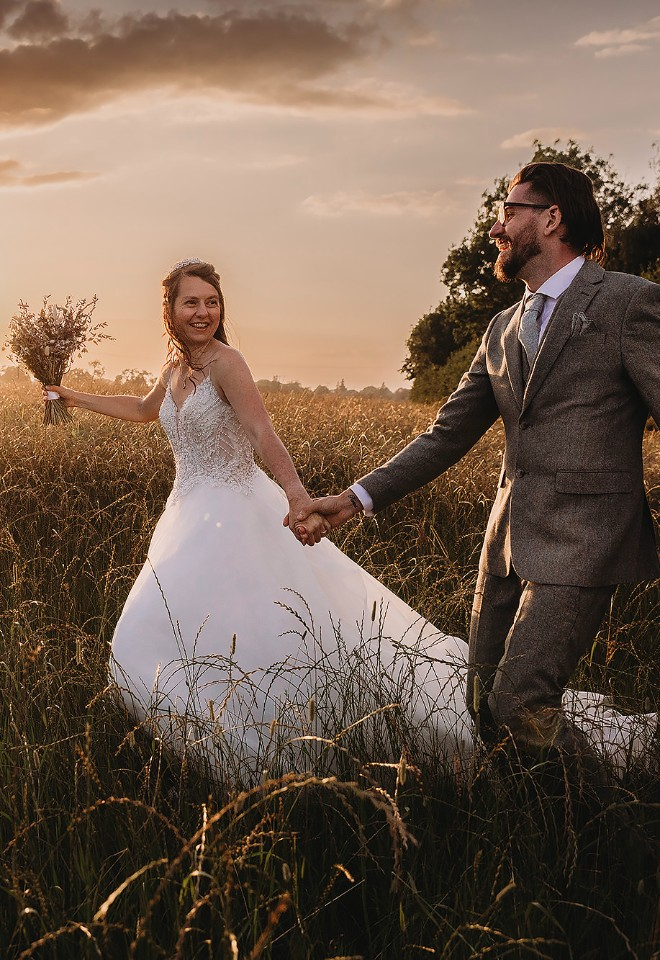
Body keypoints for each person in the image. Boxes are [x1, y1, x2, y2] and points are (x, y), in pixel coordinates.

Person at [296, 162, 660, 780]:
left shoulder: (626, 302)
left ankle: (620, 816)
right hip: (507, 546)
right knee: (484, 711)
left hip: (586, 541)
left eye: (510, 210)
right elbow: (446, 435)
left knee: (521, 703)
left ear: (551, 218)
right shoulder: (502, 329)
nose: (497, 225)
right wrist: (354, 498)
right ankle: (536, 832)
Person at [45, 258, 473, 781]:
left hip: (239, 512)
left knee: (254, 633)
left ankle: (285, 748)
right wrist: (72, 396)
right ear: (170, 310)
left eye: (212, 302)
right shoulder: (175, 369)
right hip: (187, 514)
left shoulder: (228, 363)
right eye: (191, 302)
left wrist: (296, 498)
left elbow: (263, 433)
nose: (203, 312)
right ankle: (203, 748)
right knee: (163, 630)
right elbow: (140, 408)